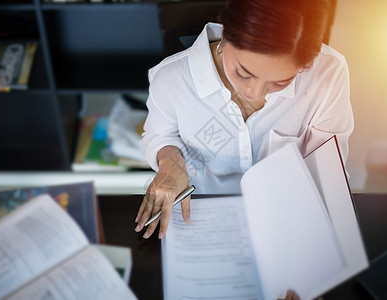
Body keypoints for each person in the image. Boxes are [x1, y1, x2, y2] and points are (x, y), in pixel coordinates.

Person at [135, 0, 353, 241]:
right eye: (243, 72)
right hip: (200, 213)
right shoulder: (171, 77)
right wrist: (169, 164)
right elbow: (159, 135)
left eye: (280, 82)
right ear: (225, 33)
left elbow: (326, 167)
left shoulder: (328, 73)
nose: (255, 93)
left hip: (287, 218)